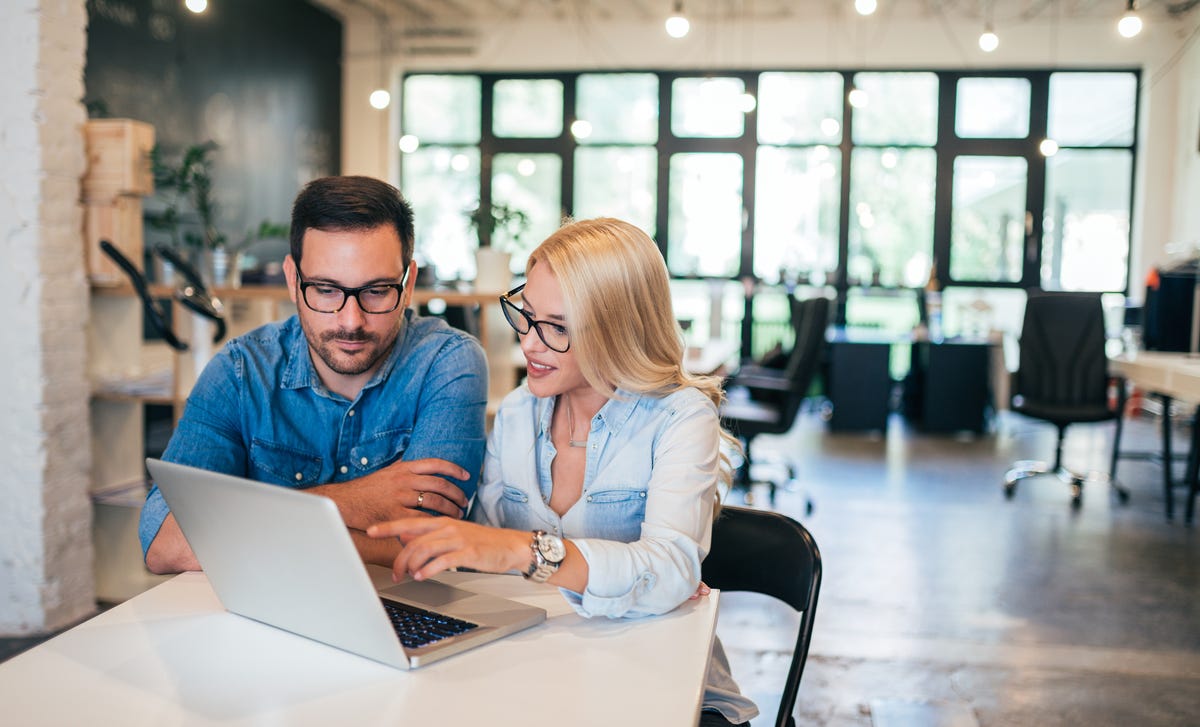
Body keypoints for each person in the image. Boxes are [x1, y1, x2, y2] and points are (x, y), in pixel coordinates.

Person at [367, 218, 758, 726]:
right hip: (544, 669)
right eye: (526, 316)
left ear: (617, 329)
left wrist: (523, 551)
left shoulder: (680, 417)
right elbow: (484, 560)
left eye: (556, 328)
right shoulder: (516, 411)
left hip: (664, 686)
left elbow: (670, 570)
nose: (529, 344)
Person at [138, 175, 488, 574]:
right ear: (293, 279)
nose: (351, 321)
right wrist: (355, 500)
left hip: (406, 615)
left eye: (376, 291)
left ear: (407, 285)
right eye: (325, 290)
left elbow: (428, 542)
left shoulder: (448, 362)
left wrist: (246, 532)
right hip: (267, 617)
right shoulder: (240, 372)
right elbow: (165, 543)